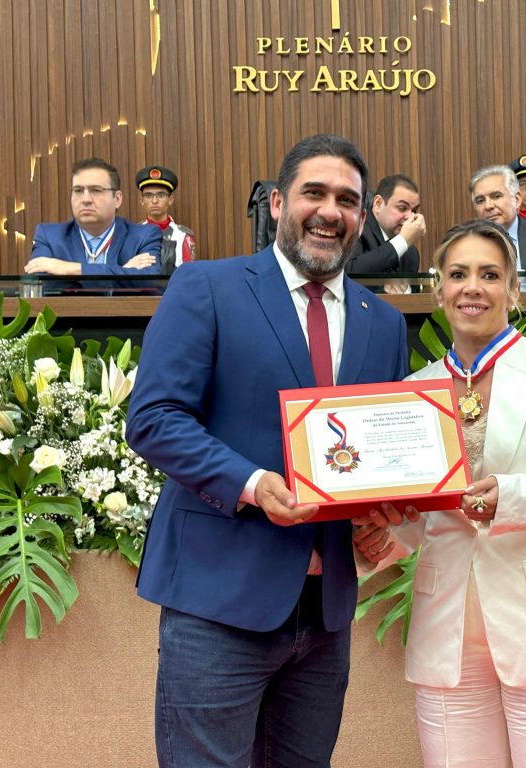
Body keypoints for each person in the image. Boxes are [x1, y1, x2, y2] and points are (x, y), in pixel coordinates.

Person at [125, 134, 409, 767]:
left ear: (362, 216)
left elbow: (374, 452)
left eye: (347, 200)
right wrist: (252, 484)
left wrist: (380, 513)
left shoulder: (384, 322)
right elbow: (154, 418)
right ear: (278, 203)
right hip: (218, 600)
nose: (330, 211)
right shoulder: (207, 287)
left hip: (326, 614)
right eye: (314, 193)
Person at [355, 219, 526, 768]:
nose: (472, 287)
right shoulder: (413, 392)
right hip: (447, 631)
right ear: (438, 290)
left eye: (489, 274)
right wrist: (381, 536)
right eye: (458, 274)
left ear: (514, 289)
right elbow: (421, 515)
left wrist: (513, 496)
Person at [25, 157, 162, 278]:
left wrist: (70, 269)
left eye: (96, 190)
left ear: (117, 199)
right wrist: (123, 272)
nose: (86, 199)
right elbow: (39, 284)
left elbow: (150, 281)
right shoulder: (49, 236)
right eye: (78, 190)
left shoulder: (144, 236)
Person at [346, 173, 425, 274]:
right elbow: (350, 271)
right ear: (378, 204)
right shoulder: (356, 229)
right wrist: (402, 241)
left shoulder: (410, 253)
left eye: (414, 210)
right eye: (402, 208)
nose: (410, 217)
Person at [135, 165, 195, 273]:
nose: (154, 201)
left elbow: (189, 273)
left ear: (170, 199)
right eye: (148, 195)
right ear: (141, 200)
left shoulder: (182, 235)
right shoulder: (133, 234)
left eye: (161, 195)